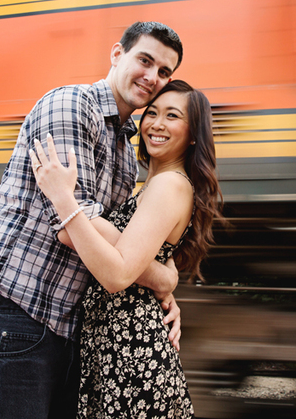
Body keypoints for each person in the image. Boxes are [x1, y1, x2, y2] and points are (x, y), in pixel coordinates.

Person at [0, 22, 185, 419]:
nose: (153, 77)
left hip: (67, 326)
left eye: (164, 72)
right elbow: (73, 226)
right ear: (117, 55)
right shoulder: (72, 106)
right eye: (144, 60)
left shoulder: (127, 152)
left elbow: (117, 239)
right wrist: (159, 277)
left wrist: (158, 283)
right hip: (18, 314)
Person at [31, 80, 223, 418]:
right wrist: (165, 279)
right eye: (152, 113)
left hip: (132, 349)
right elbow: (147, 257)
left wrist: (64, 201)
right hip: (117, 345)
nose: (157, 124)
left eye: (172, 116)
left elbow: (118, 273)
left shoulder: (169, 185)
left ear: (193, 134)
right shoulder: (152, 185)